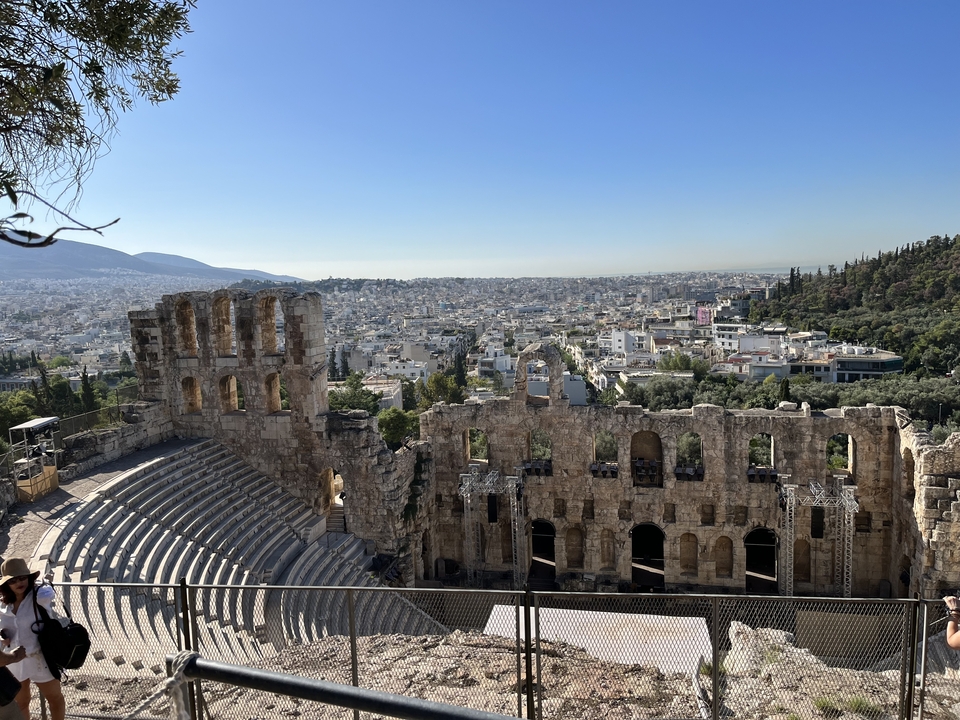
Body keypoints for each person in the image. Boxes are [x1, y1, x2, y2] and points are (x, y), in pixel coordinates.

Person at [0, 559, 64, 720]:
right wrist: (2, 635)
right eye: (13, 580)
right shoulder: (2, 606)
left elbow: (49, 591)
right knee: (21, 703)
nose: (19, 583)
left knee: (55, 698)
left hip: (40, 657)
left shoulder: (39, 596)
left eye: (22, 577)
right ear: (6, 584)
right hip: (14, 660)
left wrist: (41, 584)